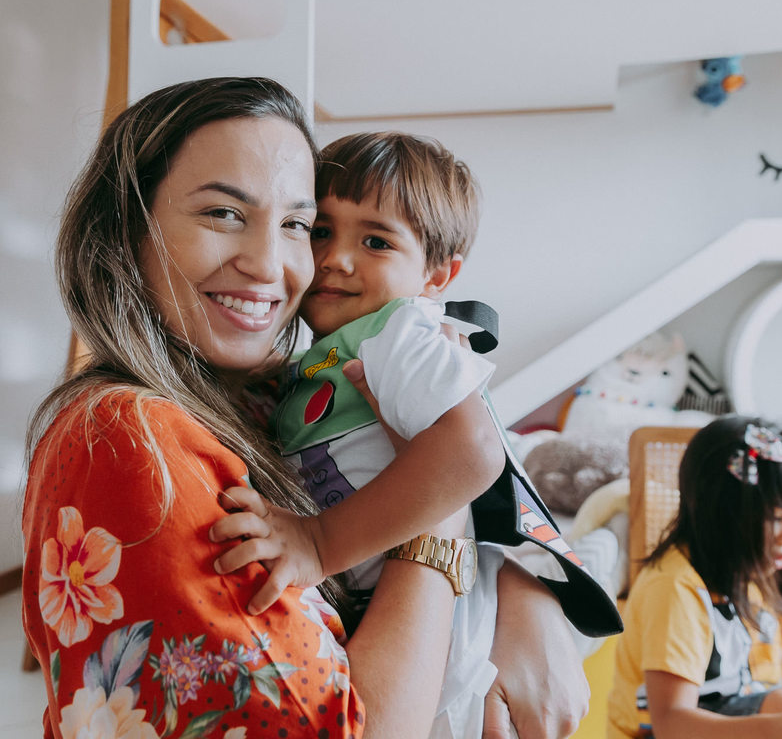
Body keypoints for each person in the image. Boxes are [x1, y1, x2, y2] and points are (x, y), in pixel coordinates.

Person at [21, 77, 588, 739]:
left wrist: (531, 597)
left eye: (292, 224)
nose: (274, 264)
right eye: (223, 213)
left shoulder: (275, 385)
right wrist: (442, 524)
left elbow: (484, 449)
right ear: (125, 229)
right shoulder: (131, 437)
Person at [211, 131, 623, 737]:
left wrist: (318, 542)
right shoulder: (318, 355)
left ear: (438, 274)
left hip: (452, 629)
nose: (335, 259)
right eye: (319, 230)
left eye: (375, 241)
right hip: (398, 605)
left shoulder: (400, 331)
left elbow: (475, 451)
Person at [606, 415, 782, 739]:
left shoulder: (762, 576)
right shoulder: (674, 587)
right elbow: (672, 722)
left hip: (735, 719)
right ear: (720, 512)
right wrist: (775, 729)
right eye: (776, 519)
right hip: (669, 731)